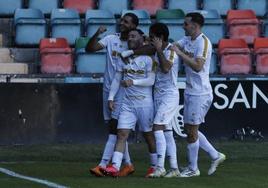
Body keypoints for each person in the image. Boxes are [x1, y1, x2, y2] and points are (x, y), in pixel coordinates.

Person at [171, 12, 226, 177]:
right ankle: (216, 155)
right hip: (190, 90)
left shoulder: (204, 43)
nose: (183, 26)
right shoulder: (187, 39)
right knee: (189, 129)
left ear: (194, 26)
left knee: (192, 131)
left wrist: (179, 54)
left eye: (186, 24)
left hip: (200, 93)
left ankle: (193, 169)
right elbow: (174, 46)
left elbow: (197, 66)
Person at [86, 13, 139, 177]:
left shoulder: (136, 43)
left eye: (126, 22)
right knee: (115, 128)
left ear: (134, 26)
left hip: (125, 92)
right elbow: (90, 49)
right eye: (122, 20)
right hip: (108, 89)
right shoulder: (110, 39)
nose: (122, 23)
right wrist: (97, 34)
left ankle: (103, 164)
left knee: (115, 129)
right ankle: (128, 164)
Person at [101, 29, 157, 177]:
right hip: (127, 104)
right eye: (129, 37)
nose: (130, 39)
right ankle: (115, 166)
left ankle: (154, 166)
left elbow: (151, 81)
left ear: (141, 39)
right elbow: (117, 79)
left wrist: (134, 81)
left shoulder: (149, 58)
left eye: (134, 36)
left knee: (148, 135)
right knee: (122, 133)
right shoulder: (123, 57)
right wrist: (111, 97)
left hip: (144, 103)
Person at [145, 23, 180, 178]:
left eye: (152, 36)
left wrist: (159, 49)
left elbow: (166, 68)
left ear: (161, 38)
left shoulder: (171, 50)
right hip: (158, 95)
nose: (150, 39)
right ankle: (174, 168)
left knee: (157, 127)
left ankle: (160, 167)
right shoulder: (155, 50)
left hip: (169, 95)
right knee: (167, 132)